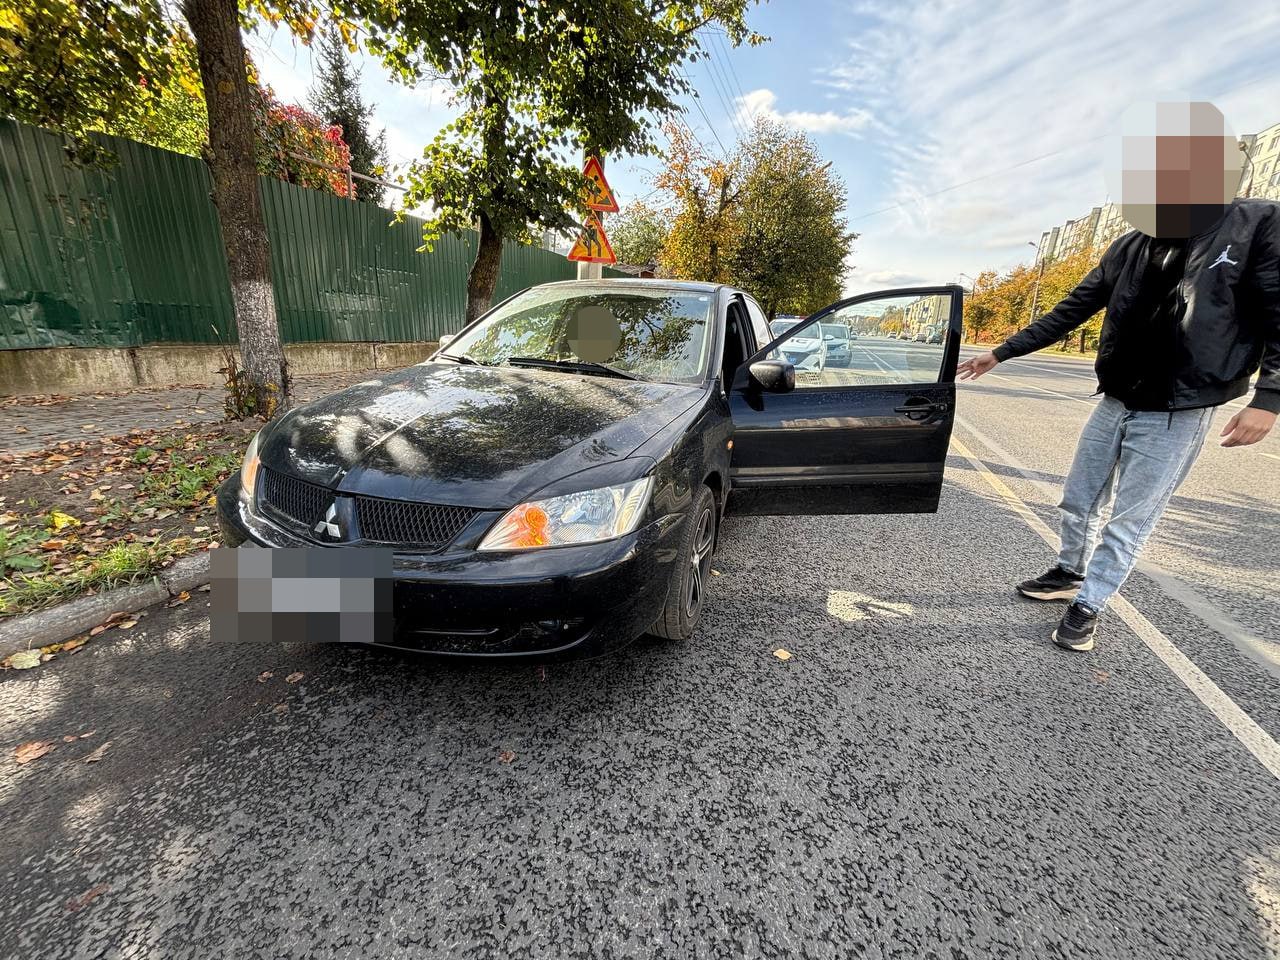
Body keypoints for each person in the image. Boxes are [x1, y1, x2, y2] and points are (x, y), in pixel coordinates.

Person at [958, 102, 1279, 652]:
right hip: (1117, 397)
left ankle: (1090, 606)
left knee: (1130, 518)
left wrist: (1270, 397)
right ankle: (1068, 573)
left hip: (1178, 407)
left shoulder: (1256, 224)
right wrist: (1002, 352)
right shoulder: (1133, 241)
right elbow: (1074, 307)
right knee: (1078, 498)